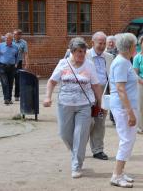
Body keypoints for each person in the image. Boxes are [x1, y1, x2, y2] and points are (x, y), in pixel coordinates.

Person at [43, 37, 103, 178]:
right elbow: (52, 82)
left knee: (81, 135)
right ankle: (78, 151)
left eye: (83, 51)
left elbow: (95, 85)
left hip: (84, 105)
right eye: (78, 51)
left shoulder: (89, 65)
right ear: (72, 51)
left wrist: (101, 103)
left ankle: (76, 165)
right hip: (65, 104)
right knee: (64, 134)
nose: (81, 54)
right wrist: (47, 97)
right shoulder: (63, 64)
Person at [109, 33, 138, 188]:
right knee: (126, 140)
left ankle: (121, 172)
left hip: (127, 106)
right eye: (135, 45)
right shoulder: (121, 62)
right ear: (129, 47)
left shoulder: (126, 61)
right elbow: (120, 89)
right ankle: (116, 175)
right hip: (122, 108)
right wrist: (130, 113)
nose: (136, 47)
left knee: (129, 139)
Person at [86, 32, 114, 160]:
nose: (102, 46)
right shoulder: (84, 55)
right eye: (100, 43)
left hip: (103, 93)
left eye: (104, 43)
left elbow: (111, 76)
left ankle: (98, 150)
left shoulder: (109, 57)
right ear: (93, 43)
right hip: (87, 92)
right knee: (86, 122)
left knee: (100, 122)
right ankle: (79, 149)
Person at [0, 33, 19, 105]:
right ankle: (6, 98)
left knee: (10, 83)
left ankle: (9, 99)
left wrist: (16, 63)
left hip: (12, 67)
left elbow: (17, 56)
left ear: (12, 39)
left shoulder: (15, 47)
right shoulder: (0, 46)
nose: (7, 40)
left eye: (9, 39)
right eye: (6, 39)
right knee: (5, 83)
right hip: (2, 66)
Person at [13, 29, 29, 102]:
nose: (14, 36)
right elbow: (0, 36)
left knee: (17, 80)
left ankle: (17, 95)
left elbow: (25, 54)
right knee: (9, 80)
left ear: (19, 35)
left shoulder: (23, 43)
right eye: (14, 34)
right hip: (10, 62)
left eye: (16, 34)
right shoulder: (10, 40)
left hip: (18, 62)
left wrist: (26, 63)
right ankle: (7, 96)